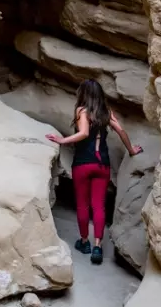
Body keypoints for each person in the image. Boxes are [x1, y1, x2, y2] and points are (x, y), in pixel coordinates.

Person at [46, 79, 143, 265]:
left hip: (83, 163)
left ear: (83, 94)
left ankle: (84, 242)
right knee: (99, 206)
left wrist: (61, 140)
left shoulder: (81, 111)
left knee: (83, 205)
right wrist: (131, 150)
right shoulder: (106, 113)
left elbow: (83, 133)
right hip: (102, 165)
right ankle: (97, 246)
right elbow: (121, 130)